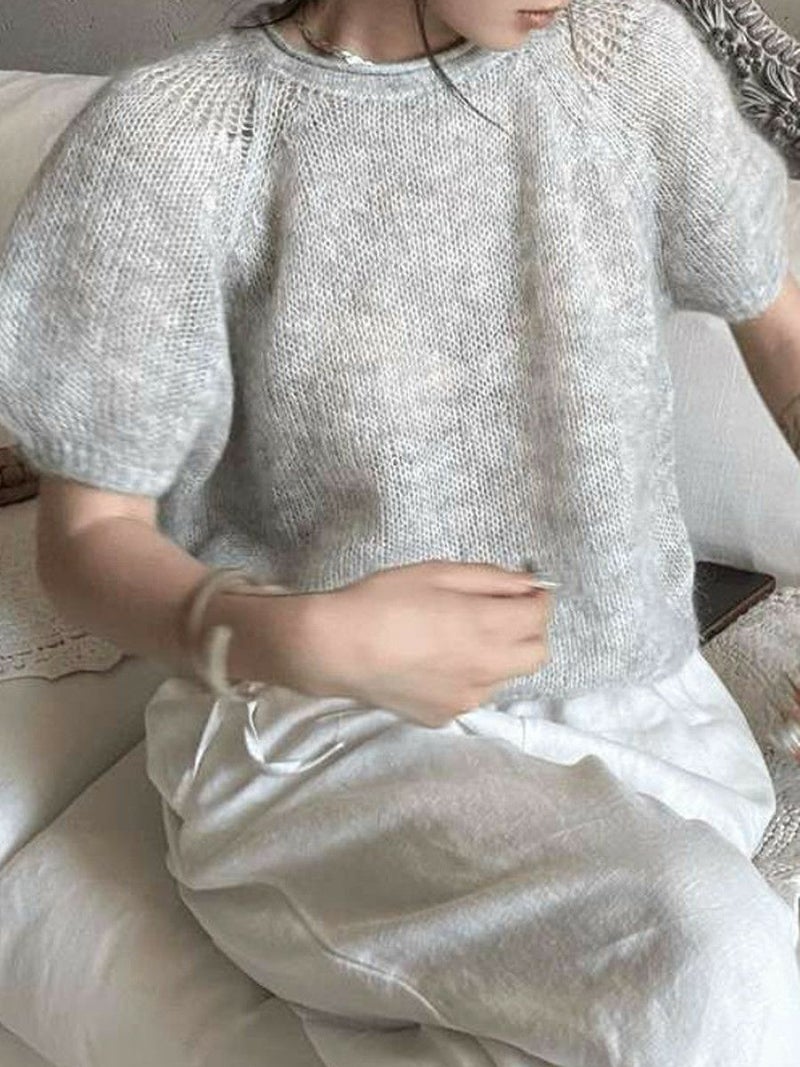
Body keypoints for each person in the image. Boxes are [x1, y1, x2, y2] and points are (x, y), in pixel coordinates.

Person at [1, 0, 799, 1063]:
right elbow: (85, 535)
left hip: (647, 721)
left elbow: (779, 327)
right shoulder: (175, 139)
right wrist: (298, 636)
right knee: (709, 959)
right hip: (329, 744)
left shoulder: (622, 54)